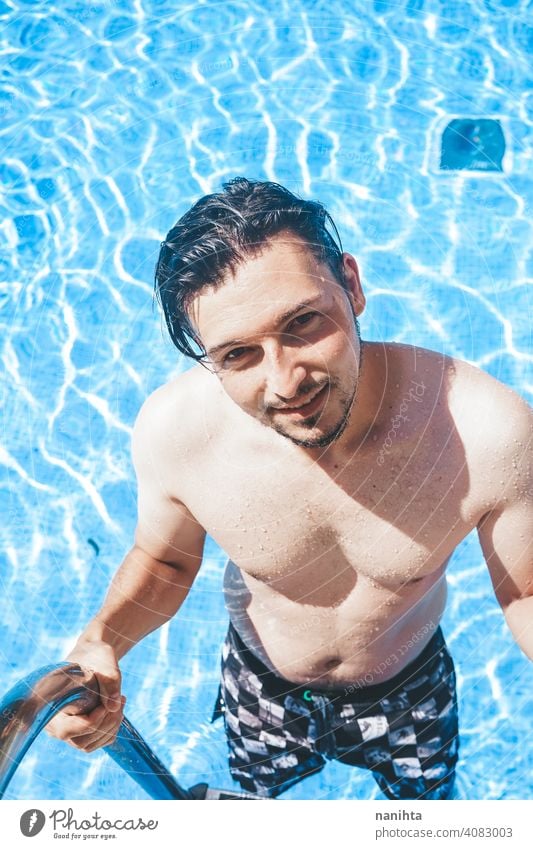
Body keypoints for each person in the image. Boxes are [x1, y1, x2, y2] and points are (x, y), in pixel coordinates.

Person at [47, 177, 532, 800]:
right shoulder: (178, 433)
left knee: (424, 816)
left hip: (409, 687)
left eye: (303, 322)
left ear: (352, 285)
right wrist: (101, 642)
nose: (284, 382)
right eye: (238, 355)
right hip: (260, 686)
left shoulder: (483, 431)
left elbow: (523, 589)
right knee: (258, 805)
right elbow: (166, 561)